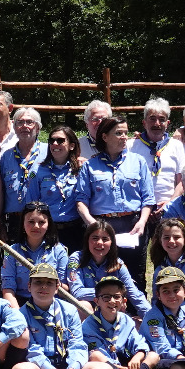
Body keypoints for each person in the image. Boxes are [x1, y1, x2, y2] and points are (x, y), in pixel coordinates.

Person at [11, 263, 114, 369]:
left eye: (49, 283)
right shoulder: (22, 315)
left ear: (57, 286)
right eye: (38, 282)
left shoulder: (70, 311)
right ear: (29, 286)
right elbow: (32, 351)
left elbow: (77, 343)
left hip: (68, 364)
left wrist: (73, 368)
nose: (43, 287)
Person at [74, 115, 154, 284]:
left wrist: (142, 222)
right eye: (118, 133)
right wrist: (92, 224)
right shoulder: (90, 166)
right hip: (102, 226)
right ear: (105, 136)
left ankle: (134, 310)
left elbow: (148, 198)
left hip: (133, 225)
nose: (124, 137)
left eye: (126, 132)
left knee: (135, 276)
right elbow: (81, 200)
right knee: (104, 276)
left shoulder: (138, 162)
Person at [83, 274, 162, 369]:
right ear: (97, 301)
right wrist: (119, 368)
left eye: (116, 297)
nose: (112, 301)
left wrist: (136, 357)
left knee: (153, 356)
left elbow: (140, 344)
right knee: (96, 356)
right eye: (106, 297)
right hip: (105, 366)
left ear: (124, 301)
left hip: (123, 363)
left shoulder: (126, 320)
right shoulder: (88, 325)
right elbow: (94, 355)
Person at [67, 219, 147, 318]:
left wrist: (152, 317)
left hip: (112, 309)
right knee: (84, 306)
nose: (100, 243)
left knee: (138, 323)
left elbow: (134, 294)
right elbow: (77, 292)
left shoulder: (118, 264)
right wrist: (112, 295)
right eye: (95, 238)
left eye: (105, 239)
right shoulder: (76, 259)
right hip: (87, 312)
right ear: (87, 240)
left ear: (111, 243)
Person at [129, 99, 185, 224]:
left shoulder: (176, 146)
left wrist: (169, 203)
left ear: (168, 123)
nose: (157, 123)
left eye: (162, 119)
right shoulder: (131, 146)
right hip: (138, 209)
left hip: (168, 208)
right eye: (152, 118)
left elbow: (181, 182)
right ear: (144, 123)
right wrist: (143, 207)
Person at [26, 124, 82, 250]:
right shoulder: (37, 170)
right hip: (47, 231)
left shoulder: (81, 169)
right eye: (51, 140)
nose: (55, 144)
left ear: (72, 145)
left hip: (76, 231)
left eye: (60, 140)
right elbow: (31, 204)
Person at [0, 107, 47, 247]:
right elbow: (0, 191)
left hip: (41, 221)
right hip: (14, 221)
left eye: (29, 122)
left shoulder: (49, 152)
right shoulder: (6, 156)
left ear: (38, 128)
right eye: (20, 122)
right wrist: (0, 223)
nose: (24, 126)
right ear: (14, 127)